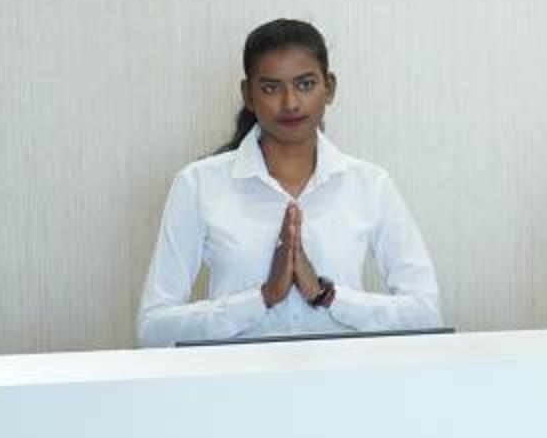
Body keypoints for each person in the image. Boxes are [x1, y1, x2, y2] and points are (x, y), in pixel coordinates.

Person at [137, 18, 442, 346]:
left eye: (306, 84)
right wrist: (263, 297)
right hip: (237, 378)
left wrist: (325, 295)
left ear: (330, 87)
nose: (291, 103)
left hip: (343, 377)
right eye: (271, 88)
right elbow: (154, 329)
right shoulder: (198, 185)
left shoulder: (370, 185)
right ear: (248, 95)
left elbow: (426, 314)